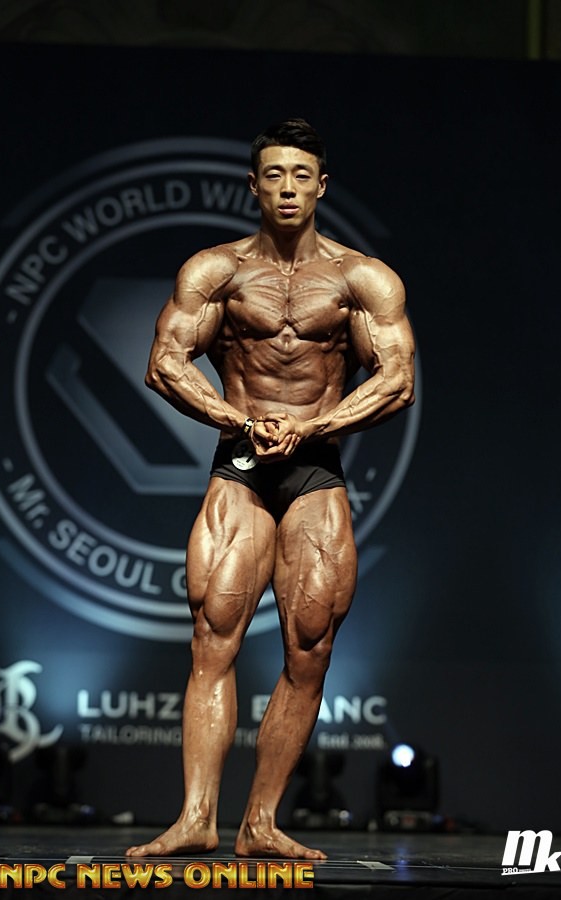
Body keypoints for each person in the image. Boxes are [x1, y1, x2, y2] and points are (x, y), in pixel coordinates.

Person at [125, 118, 415, 861]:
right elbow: (165, 362)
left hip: (315, 469)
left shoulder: (363, 280)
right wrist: (240, 420)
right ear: (254, 186)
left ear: (321, 185)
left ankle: (259, 822)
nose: (288, 188)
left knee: (309, 644)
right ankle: (196, 818)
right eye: (275, 175)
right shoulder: (216, 272)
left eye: (301, 175)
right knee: (213, 633)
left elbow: (396, 379)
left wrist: (313, 428)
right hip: (242, 465)